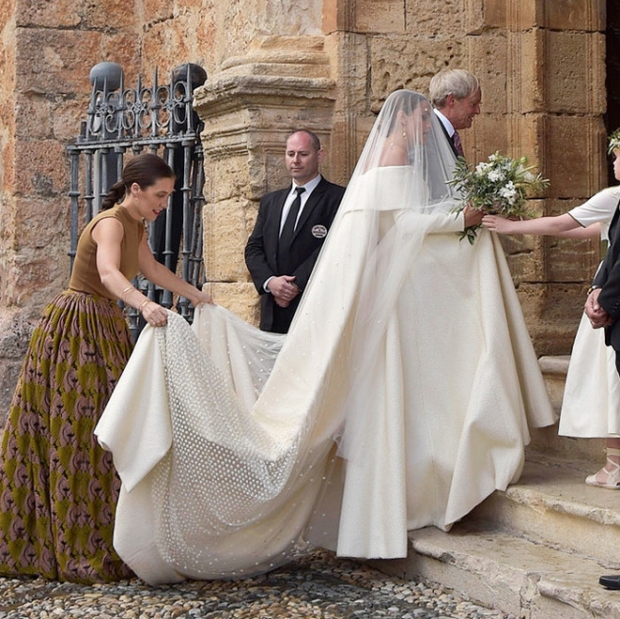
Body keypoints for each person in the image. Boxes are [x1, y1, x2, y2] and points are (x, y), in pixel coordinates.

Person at [95, 90, 555, 584]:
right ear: (404, 120)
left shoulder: (378, 167)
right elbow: (401, 225)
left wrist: (193, 295)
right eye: (424, 118)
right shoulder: (391, 157)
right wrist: (458, 220)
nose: (429, 126)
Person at [0, 153, 212, 583]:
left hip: (104, 326)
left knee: (111, 423)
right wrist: (144, 305)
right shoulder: (111, 223)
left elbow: (151, 268)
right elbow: (109, 273)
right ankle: (68, 539)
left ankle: (110, 533)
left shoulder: (137, 225)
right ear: (135, 190)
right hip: (76, 329)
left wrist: (196, 295)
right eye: (159, 195)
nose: (164, 204)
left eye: (168, 196)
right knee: (78, 427)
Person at [483, 159, 620, 490]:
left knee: (610, 381)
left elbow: (561, 224)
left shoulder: (614, 196)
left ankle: (614, 466)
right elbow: (588, 229)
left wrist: (509, 227)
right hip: (608, 284)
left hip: (612, 290)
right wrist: (525, 224)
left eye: (618, 155)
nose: (614, 161)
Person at [245, 129, 345, 333]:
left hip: (315, 308)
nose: (296, 160)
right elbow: (254, 248)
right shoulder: (270, 202)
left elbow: (335, 247)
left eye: (303, 154)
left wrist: (294, 285)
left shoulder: (338, 198)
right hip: (272, 311)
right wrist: (271, 282)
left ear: (319, 155)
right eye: (290, 154)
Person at [429, 68, 482, 159]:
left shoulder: (445, 133)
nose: (477, 111)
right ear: (452, 101)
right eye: (473, 104)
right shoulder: (427, 135)